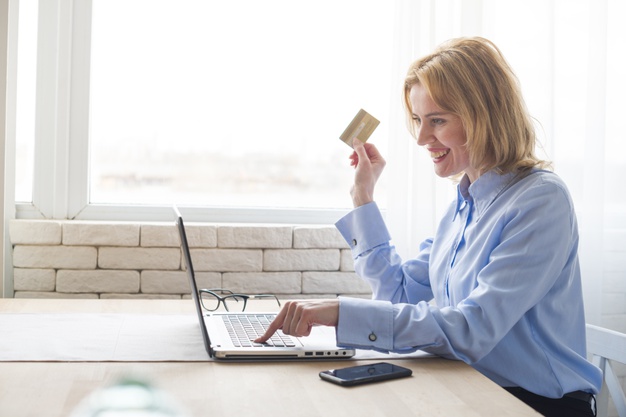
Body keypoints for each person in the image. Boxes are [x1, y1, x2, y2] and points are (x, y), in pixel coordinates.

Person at [255, 37, 602, 417]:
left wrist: (341, 312)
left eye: (437, 121)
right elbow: (400, 294)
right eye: (419, 121)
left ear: (483, 115)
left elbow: (471, 329)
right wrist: (363, 197)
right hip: (470, 386)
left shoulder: (540, 200)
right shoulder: (464, 205)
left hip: (536, 404)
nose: (421, 138)